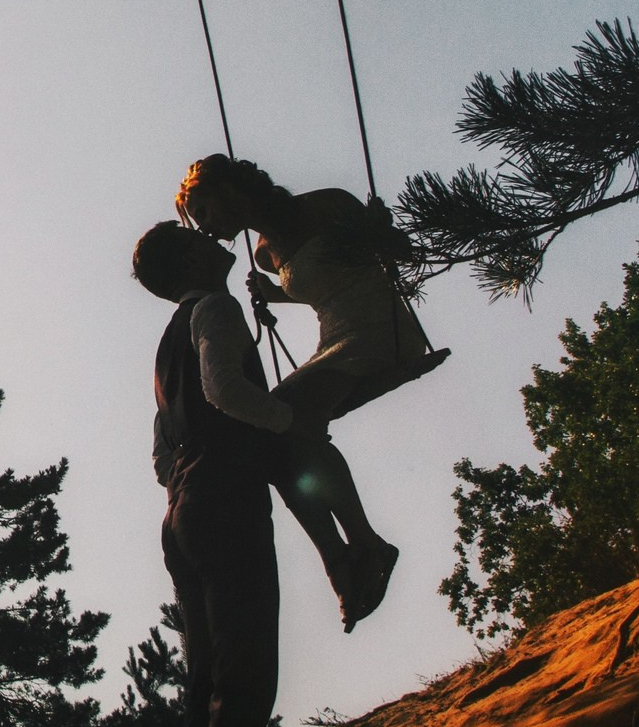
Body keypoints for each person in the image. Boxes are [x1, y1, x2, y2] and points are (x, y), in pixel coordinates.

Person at [133, 219, 320, 727]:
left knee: (205, 682)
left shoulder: (162, 349)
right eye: (198, 237)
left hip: (181, 510)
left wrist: (190, 475)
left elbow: (160, 453)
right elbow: (223, 387)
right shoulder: (214, 308)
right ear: (188, 258)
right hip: (223, 498)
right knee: (244, 674)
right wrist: (285, 421)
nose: (215, 238)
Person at [178, 155, 444, 628]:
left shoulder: (327, 207)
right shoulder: (264, 253)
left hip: (380, 330)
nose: (209, 229)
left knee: (276, 419)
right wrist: (271, 292)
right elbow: (318, 286)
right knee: (274, 438)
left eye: (207, 213)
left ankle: (359, 548)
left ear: (229, 191)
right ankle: (348, 554)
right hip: (336, 340)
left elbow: (401, 255)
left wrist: (382, 230)